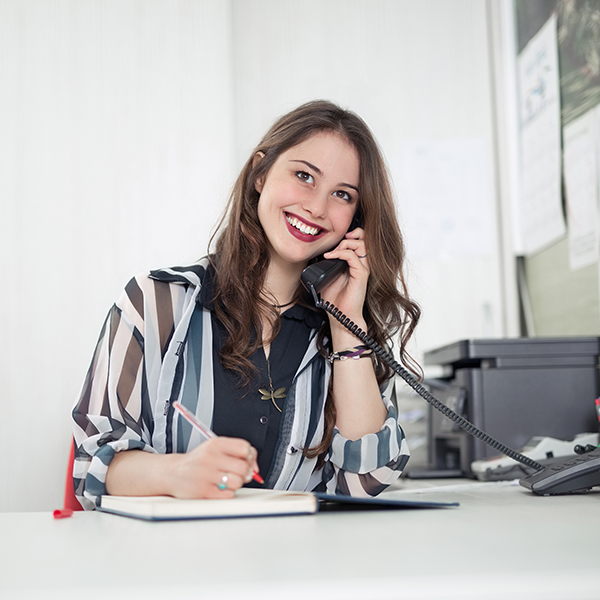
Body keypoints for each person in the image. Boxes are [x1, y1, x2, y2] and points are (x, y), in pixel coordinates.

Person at [72, 100, 421, 510]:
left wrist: (346, 327)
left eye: (342, 195)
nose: (316, 207)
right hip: (171, 563)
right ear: (260, 174)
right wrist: (176, 473)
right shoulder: (155, 302)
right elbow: (93, 465)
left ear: (355, 221)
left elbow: (366, 481)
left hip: (297, 565)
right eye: (304, 175)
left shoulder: (351, 330)